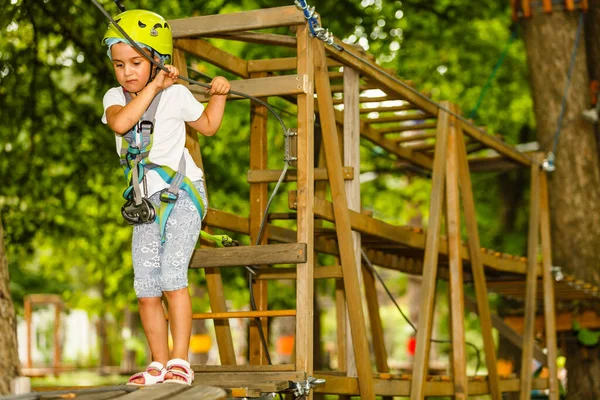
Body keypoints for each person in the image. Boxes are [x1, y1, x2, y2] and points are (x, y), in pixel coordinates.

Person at [100, 9, 230, 386]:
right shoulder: (115, 97)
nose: (127, 72)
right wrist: (153, 86)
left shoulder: (176, 94)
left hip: (184, 193)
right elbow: (122, 123)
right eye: (120, 64)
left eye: (137, 62)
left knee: (172, 275)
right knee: (145, 285)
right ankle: (157, 363)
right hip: (144, 199)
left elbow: (207, 126)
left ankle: (179, 361)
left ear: (156, 60)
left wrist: (218, 94)